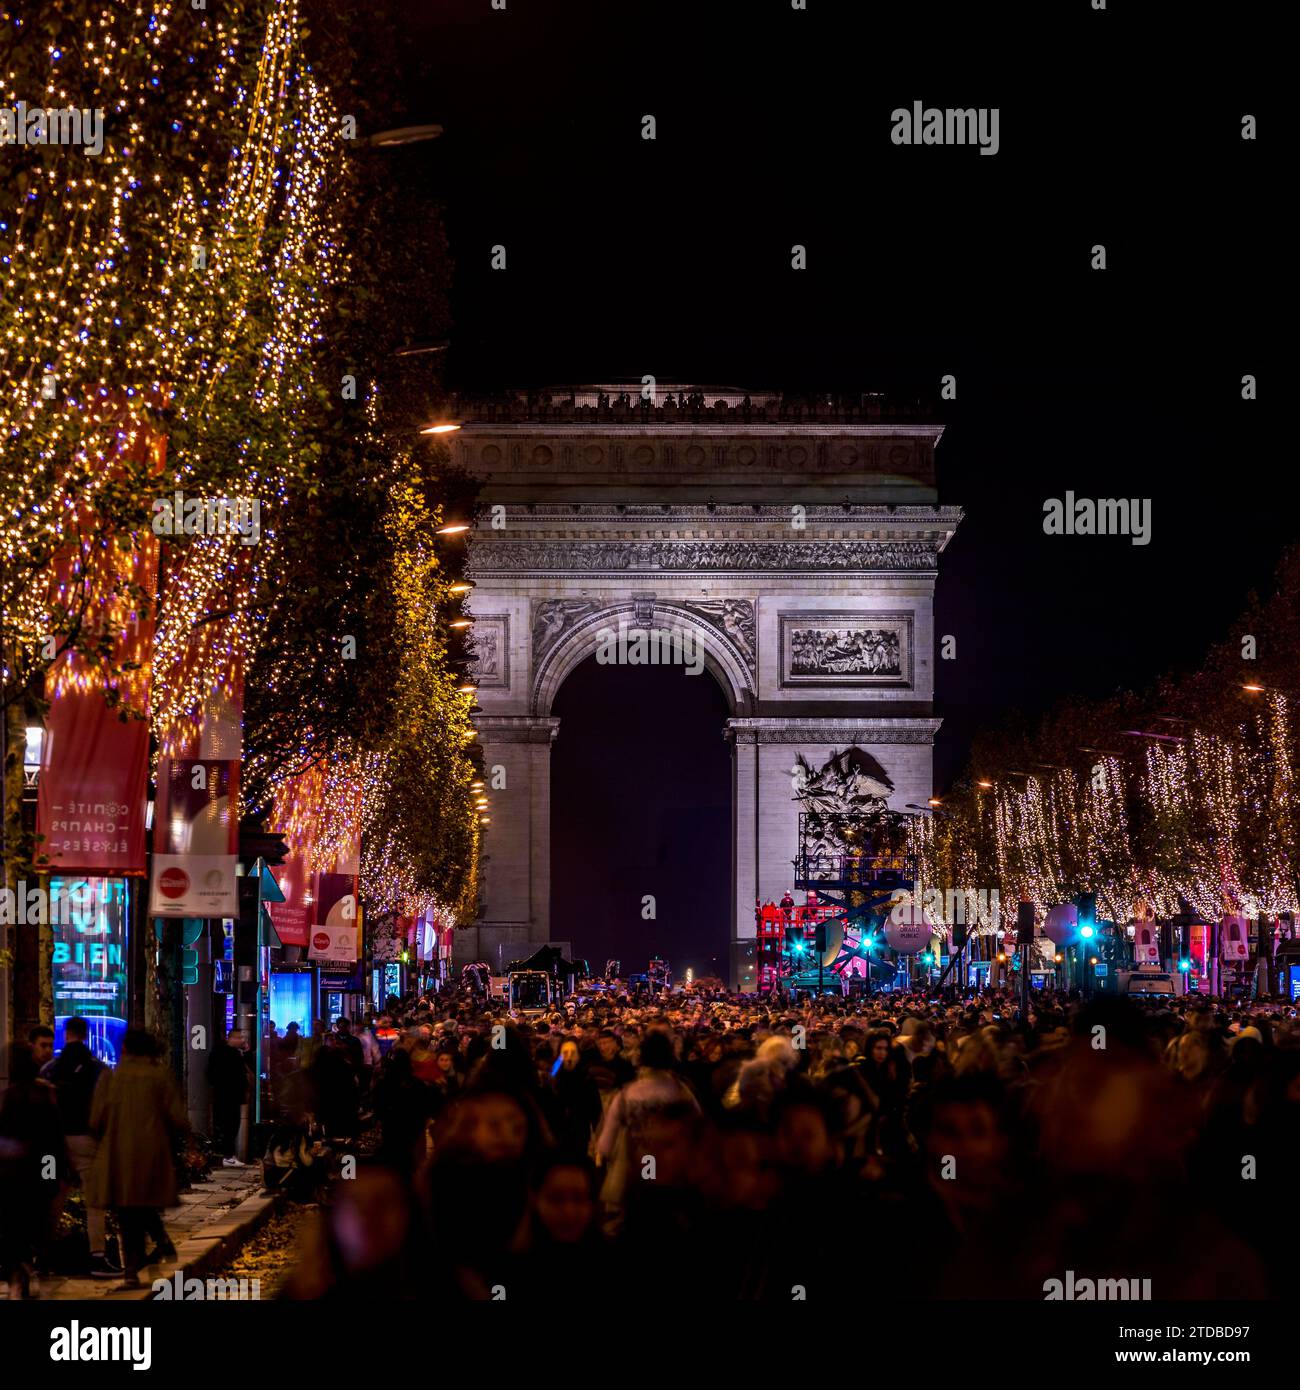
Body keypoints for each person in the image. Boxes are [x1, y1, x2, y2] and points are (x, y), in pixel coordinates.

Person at [87, 1029, 187, 1288]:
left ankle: (132, 1267)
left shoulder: (111, 1078)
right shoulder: (159, 1078)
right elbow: (178, 1118)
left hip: (117, 1155)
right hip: (152, 1154)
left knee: (126, 1212)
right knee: (144, 1205)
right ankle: (157, 1244)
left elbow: (96, 1119)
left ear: (126, 1050)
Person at [42, 1016, 120, 1277]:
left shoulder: (51, 1068)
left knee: (53, 1197)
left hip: (54, 1141)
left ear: (67, 1034)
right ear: (85, 1035)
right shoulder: (97, 1068)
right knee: (95, 1200)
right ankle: (97, 1256)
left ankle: (43, 1257)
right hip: (86, 1139)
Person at [0, 1041, 69, 1299]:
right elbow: (53, 1141)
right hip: (38, 1173)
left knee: (12, 1229)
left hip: (11, 1177)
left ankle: (18, 1275)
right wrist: (53, 1177)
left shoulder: (7, 1099)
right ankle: (27, 1270)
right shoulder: (45, 1096)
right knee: (34, 1225)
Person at [206, 1028, 252, 1166]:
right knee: (230, 1125)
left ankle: (227, 1155)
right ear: (230, 1038)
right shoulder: (229, 1054)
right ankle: (227, 1155)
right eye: (239, 1038)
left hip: (226, 1094)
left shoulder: (226, 1053)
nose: (242, 1040)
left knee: (230, 1125)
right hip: (229, 1094)